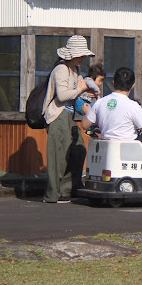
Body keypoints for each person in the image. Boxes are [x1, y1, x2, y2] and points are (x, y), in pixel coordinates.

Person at [85, 67, 142, 177]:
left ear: (114, 82)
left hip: (110, 144)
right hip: (130, 148)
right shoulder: (132, 105)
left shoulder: (100, 102)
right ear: (133, 85)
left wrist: (88, 112)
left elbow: (84, 124)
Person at [42, 35, 95, 203]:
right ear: (73, 54)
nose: (84, 57)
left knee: (78, 149)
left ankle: (66, 190)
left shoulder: (75, 70)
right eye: (82, 54)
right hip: (57, 115)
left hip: (69, 116)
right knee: (58, 155)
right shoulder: (61, 69)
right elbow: (63, 95)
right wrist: (80, 89)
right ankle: (53, 194)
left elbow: (79, 91)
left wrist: (87, 92)